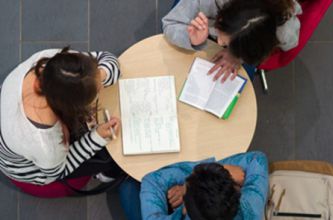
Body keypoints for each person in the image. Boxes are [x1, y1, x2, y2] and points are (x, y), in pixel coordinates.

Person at [0, 47, 140, 219]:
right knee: (109, 158)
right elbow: (57, 171)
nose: (101, 89)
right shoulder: (46, 144)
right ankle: (102, 174)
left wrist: (99, 76)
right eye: (97, 91)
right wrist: (95, 139)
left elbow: (106, 58)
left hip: (15, 139)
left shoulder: (53, 64)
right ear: (72, 107)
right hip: (34, 169)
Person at [162, 0, 302, 82]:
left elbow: (289, 43)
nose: (220, 43)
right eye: (221, 34)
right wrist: (192, 39)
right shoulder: (208, 2)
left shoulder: (284, 31)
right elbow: (170, 23)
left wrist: (236, 56)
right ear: (221, 16)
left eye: (226, 43)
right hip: (200, 26)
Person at [140, 151, 269, 219]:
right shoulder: (251, 204)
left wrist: (216, 167)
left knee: (128, 184)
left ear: (185, 208)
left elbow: (151, 181)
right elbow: (257, 159)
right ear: (236, 192)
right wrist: (217, 171)